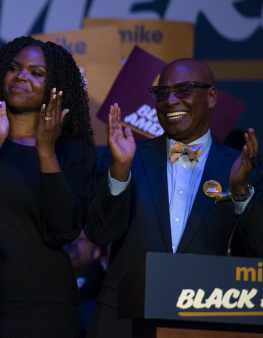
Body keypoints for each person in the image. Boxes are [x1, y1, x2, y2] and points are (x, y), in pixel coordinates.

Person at [85, 58, 263, 338]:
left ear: (212, 96)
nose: (170, 101)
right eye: (161, 92)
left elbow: (258, 252)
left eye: (183, 90)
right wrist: (119, 171)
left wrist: (240, 193)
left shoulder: (241, 169)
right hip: (123, 320)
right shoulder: (126, 156)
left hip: (205, 323)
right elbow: (99, 233)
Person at [0, 36, 97, 337]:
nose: (21, 76)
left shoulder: (73, 152)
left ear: (56, 87)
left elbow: (63, 230)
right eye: (14, 68)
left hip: (45, 304)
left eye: (36, 72)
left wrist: (45, 150)